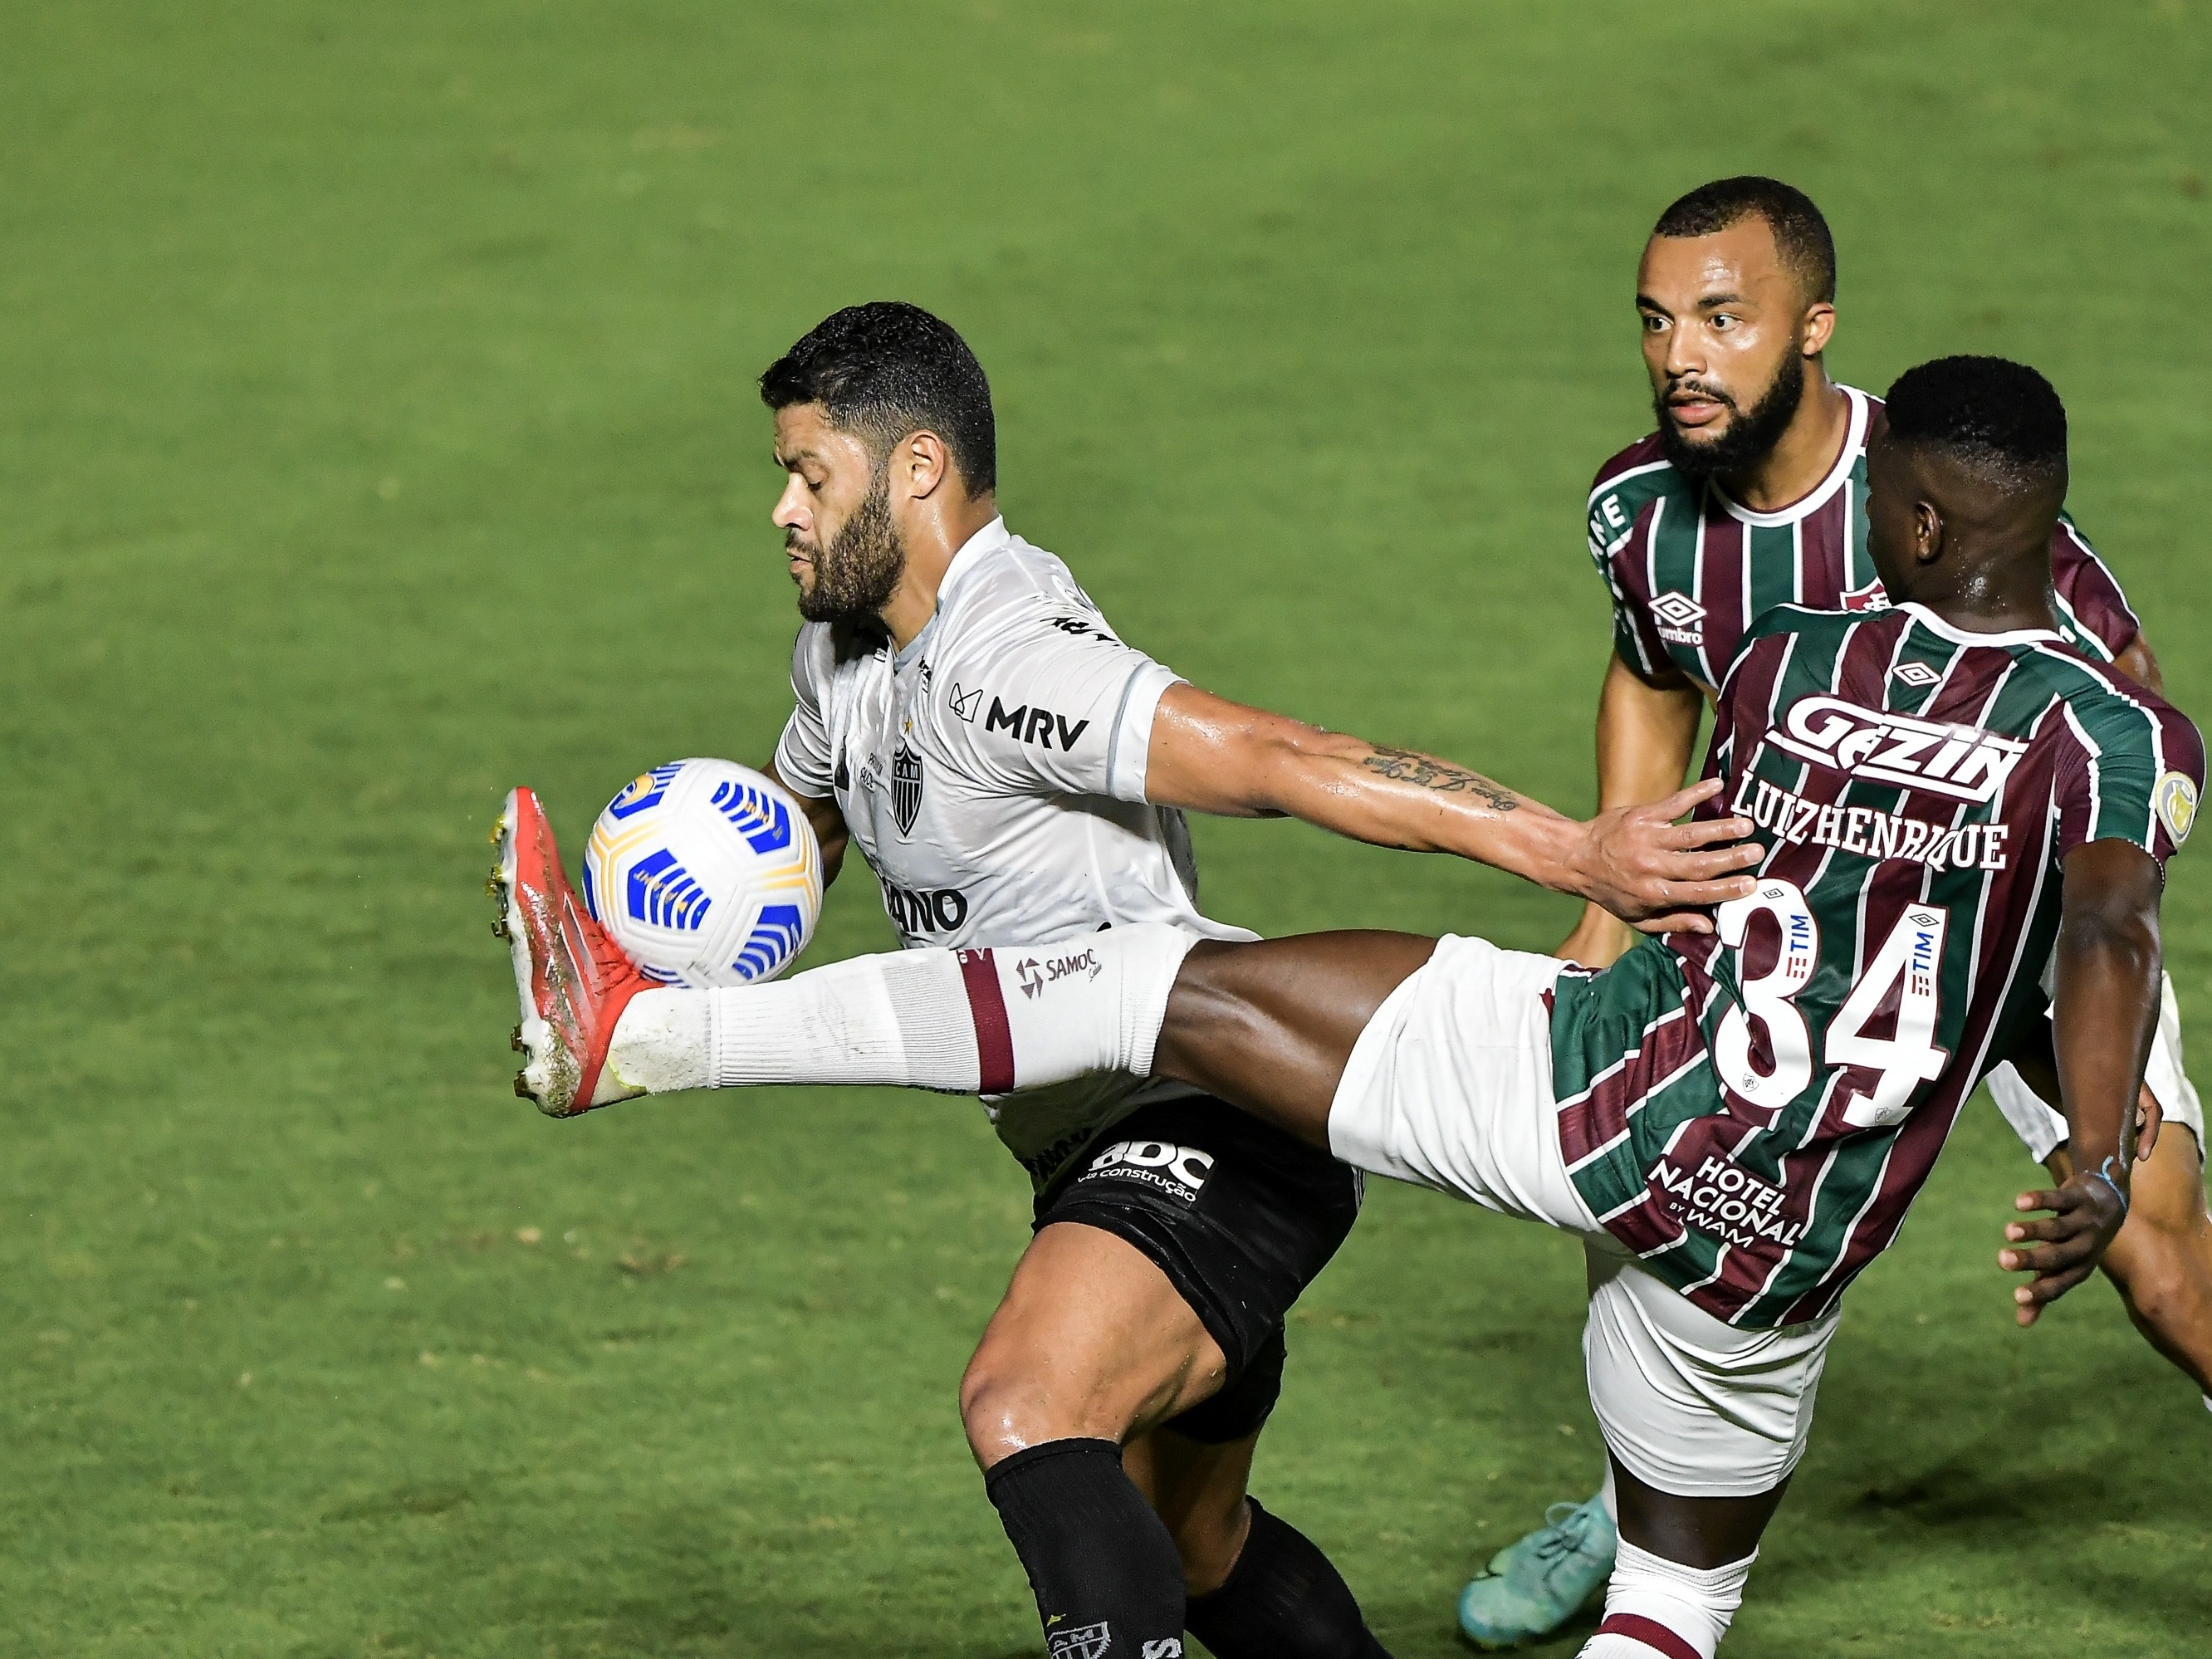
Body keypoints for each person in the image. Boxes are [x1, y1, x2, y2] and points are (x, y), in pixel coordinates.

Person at [497, 355, 2202, 1658]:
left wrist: (1586, 870)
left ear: (1904, 517)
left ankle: (641, 1042)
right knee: (1671, 1603)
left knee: (1137, 997)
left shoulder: (1796, 657)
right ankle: (641, 1032)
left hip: (1598, 1093)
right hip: (1771, 1261)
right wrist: (2106, 1154)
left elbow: (1617, 823)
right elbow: (2106, 938)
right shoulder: (2116, 734)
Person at [1461, 175, 2212, 1649]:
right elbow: (1652, 665)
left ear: (1811, 328)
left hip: (2016, 936)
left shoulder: (1935, 488)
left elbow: (2123, 722)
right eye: (1659, 320)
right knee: (1649, 1183)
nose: (1683, 354)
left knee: (2158, 1257)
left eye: (1722, 321)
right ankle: (1637, 1511)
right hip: (1783, 932)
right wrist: (1619, 900)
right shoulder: (1641, 508)